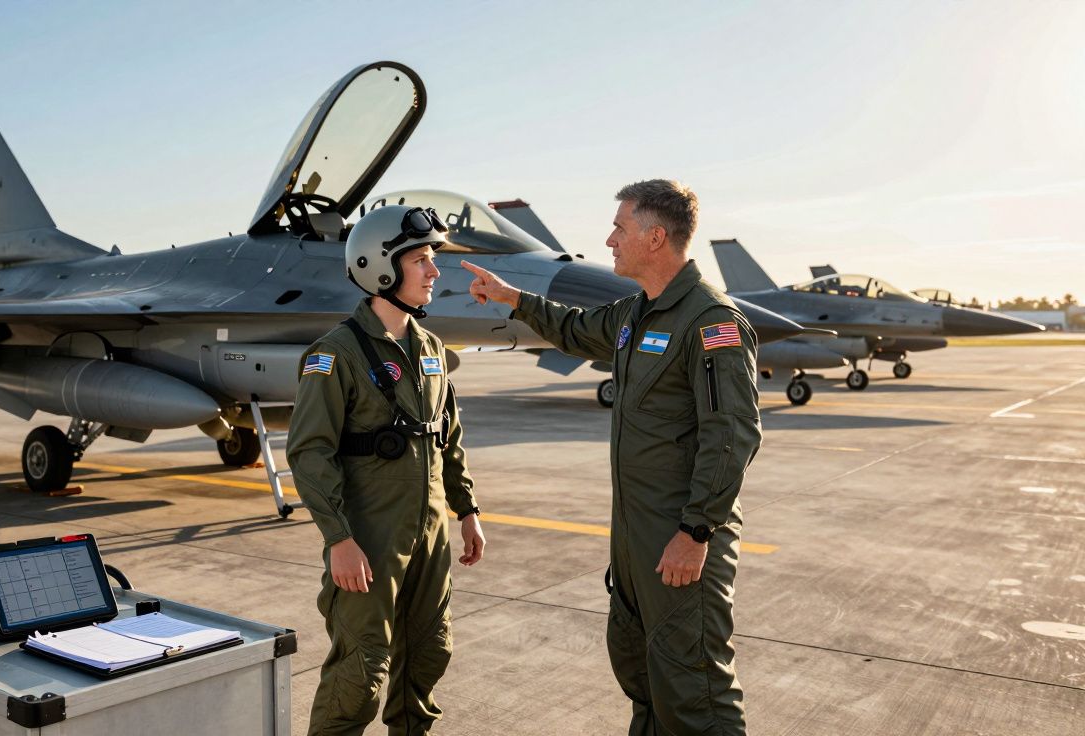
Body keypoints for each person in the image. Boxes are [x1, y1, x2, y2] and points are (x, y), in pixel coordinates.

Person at [462, 180, 760, 735]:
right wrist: (514, 299)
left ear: (655, 236)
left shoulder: (710, 321)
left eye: (620, 228)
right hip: (634, 536)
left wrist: (696, 533)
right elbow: (574, 330)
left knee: (694, 688)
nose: (609, 239)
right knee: (641, 673)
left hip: (680, 533)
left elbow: (732, 435)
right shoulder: (635, 313)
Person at [287, 204, 486, 736]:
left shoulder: (431, 350)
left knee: (427, 656)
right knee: (361, 671)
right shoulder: (335, 354)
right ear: (383, 268)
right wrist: (338, 539)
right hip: (368, 538)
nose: (434, 271)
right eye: (421, 259)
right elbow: (309, 452)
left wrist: (466, 510)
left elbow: (448, 436)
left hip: (429, 534)